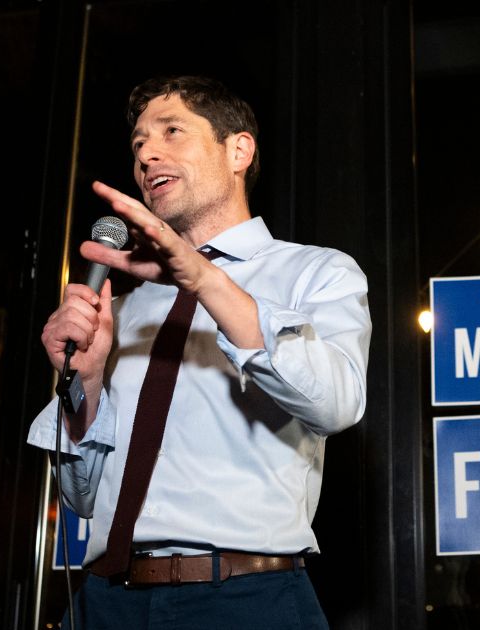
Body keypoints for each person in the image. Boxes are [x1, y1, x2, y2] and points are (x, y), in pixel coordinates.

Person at [27, 75, 370, 629]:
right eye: (139, 144)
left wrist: (205, 278)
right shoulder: (125, 309)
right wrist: (85, 382)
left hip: (245, 598)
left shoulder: (316, 272)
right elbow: (81, 496)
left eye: (172, 131)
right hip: (106, 602)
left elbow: (337, 404)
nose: (147, 155)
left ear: (238, 151)